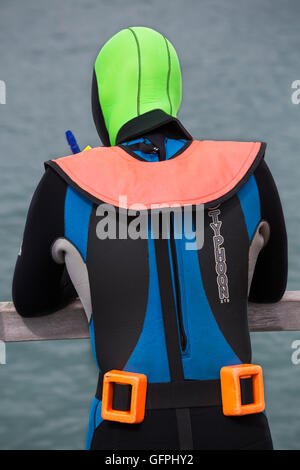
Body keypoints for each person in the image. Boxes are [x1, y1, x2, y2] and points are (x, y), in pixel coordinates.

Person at [12, 26, 287, 450]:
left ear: (101, 100)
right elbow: (269, 291)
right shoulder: (249, 170)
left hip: (128, 434)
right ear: (173, 90)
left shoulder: (66, 184)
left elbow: (31, 300)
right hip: (237, 427)